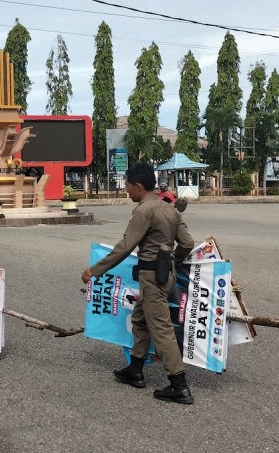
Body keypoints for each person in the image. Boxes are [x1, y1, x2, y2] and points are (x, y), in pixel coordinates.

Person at [81, 163, 195, 405]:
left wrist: (95, 270)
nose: (127, 192)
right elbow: (186, 242)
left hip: (152, 278)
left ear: (138, 186)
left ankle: (179, 385)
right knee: (141, 319)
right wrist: (172, 261)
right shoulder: (170, 210)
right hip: (166, 276)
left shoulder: (144, 212)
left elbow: (125, 247)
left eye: (128, 187)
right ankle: (135, 370)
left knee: (161, 329)